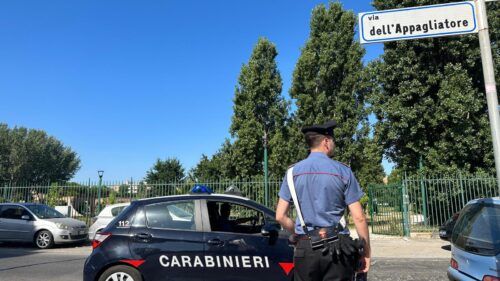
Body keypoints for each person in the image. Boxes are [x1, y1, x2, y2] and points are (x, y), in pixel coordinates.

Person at [275, 120, 371, 281]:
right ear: (326, 141)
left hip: (305, 248)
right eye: (333, 140)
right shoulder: (343, 171)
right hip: (338, 249)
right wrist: (366, 253)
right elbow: (359, 217)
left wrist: (301, 233)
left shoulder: (292, 173)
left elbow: (280, 216)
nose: (334, 144)